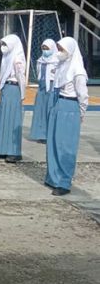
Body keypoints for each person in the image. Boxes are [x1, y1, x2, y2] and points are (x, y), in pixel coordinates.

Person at [45, 37, 89, 196]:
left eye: (62, 49)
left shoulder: (77, 70)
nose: (59, 52)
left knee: (66, 146)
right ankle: (53, 177)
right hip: (59, 104)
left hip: (70, 107)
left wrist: (81, 113)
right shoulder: (62, 66)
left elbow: (83, 95)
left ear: (70, 50)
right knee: (54, 142)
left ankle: (64, 182)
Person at [0, 34, 27, 163]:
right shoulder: (7, 57)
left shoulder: (17, 58)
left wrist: (22, 94)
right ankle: (1, 149)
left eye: (6, 44)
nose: (3, 47)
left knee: (12, 119)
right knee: (3, 118)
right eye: (3, 44)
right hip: (6, 89)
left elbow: (20, 77)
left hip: (13, 89)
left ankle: (12, 151)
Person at [29, 39, 59, 142]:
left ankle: (49, 135)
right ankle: (40, 134)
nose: (45, 50)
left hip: (51, 88)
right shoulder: (40, 60)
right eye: (43, 48)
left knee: (49, 111)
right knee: (40, 111)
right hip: (41, 88)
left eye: (47, 48)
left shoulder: (57, 61)